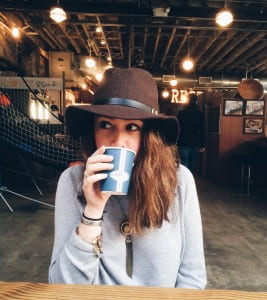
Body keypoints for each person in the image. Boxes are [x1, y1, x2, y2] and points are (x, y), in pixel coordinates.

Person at [49, 68, 207, 288]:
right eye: (105, 125)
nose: (117, 141)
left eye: (132, 127)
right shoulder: (73, 180)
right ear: (92, 130)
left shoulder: (179, 181)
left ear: (148, 135)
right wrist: (92, 212)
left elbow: (193, 277)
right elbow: (62, 285)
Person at [177, 93, 205, 173]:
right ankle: (190, 179)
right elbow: (203, 129)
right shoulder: (200, 114)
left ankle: (184, 180)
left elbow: (178, 128)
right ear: (196, 101)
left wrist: (176, 141)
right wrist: (203, 144)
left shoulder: (182, 113)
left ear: (188, 100)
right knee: (192, 163)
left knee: (183, 163)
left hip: (183, 141)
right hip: (195, 142)